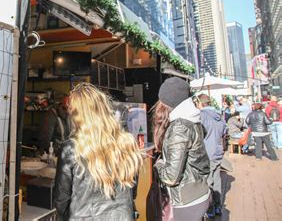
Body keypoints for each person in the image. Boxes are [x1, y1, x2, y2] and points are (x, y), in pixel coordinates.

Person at [53, 83, 143, 221]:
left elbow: (61, 199)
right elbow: (132, 191)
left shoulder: (72, 148)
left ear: (77, 115)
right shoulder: (127, 143)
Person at [153, 77, 211, 221]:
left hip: (186, 200)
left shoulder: (179, 127)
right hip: (198, 191)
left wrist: (158, 164)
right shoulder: (191, 119)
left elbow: (170, 177)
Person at [195, 93, 227, 218]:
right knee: (216, 178)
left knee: (208, 181)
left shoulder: (202, 116)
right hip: (218, 152)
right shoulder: (219, 116)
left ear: (200, 103)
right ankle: (218, 206)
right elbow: (224, 131)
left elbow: (198, 134)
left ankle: (209, 208)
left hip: (207, 153)